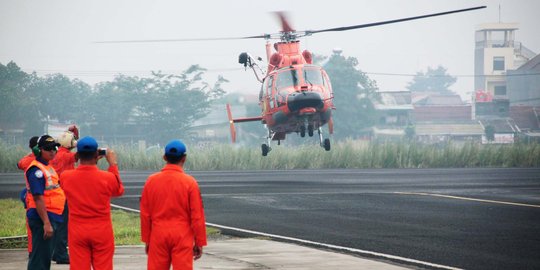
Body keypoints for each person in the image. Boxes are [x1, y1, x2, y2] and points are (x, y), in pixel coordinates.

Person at [140, 140, 207, 270]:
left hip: (158, 233)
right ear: (184, 158)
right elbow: (197, 215)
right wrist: (199, 242)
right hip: (182, 234)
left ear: (165, 157)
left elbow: (145, 214)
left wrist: (147, 239)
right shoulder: (190, 183)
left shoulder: (151, 181)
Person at [60, 136, 124, 270]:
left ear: (77, 154)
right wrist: (113, 165)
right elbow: (118, 191)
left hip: (77, 230)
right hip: (101, 229)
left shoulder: (66, 176)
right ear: (97, 154)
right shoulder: (108, 177)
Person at [24, 135, 66, 270]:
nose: (52, 151)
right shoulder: (36, 170)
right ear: (39, 150)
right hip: (43, 218)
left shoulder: (47, 167)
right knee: (40, 260)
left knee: (44, 257)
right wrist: (46, 224)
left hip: (51, 216)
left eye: (54, 148)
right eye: (48, 148)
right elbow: (38, 197)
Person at [50, 130, 79, 264]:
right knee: (63, 224)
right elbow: (80, 155)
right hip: (64, 193)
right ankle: (61, 254)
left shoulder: (56, 154)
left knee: (57, 223)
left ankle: (56, 253)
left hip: (55, 193)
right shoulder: (66, 155)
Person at [17, 136, 39, 257]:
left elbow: (19, 164)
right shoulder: (45, 160)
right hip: (43, 197)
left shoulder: (27, 160)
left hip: (30, 197)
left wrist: (30, 154)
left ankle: (32, 251)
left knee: (31, 226)